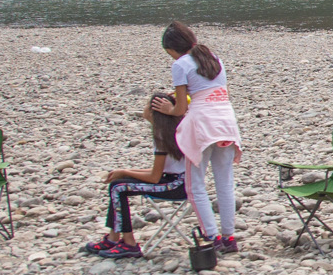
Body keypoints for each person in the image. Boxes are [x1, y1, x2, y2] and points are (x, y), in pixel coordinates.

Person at [154, 21, 243, 253]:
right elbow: (216, 92)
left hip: (202, 124)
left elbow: (181, 108)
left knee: (195, 185)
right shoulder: (214, 59)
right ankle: (229, 237)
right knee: (224, 182)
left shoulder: (181, 65)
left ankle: (211, 237)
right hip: (226, 121)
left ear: (173, 49)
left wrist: (167, 110)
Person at [85, 92, 189, 258]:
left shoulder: (162, 137)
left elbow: (155, 177)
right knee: (119, 183)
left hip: (175, 186)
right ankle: (114, 238)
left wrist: (125, 172)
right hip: (179, 181)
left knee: (118, 188)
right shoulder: (175, 130)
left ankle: (128, 243)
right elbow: (161, 173)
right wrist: (124, 172)